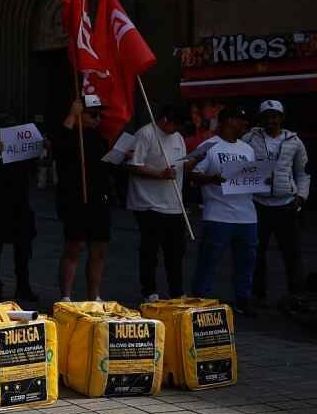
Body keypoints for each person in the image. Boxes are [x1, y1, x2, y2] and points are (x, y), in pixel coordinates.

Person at [189, 106, 258, 315]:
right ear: (229, 121)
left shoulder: (247, 149)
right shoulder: (209, 146)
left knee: (246, 262)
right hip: (218, 214)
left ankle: (242, 300)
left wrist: (263, 179)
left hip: (247, 215)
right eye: (241, 120)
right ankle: (201, 300)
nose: (245, 124)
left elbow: (252, 175)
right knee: (209, 261)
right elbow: (191, 173)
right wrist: (211, 179)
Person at [245, 100, 310, 307]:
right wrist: (255, 180)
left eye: (275, 116)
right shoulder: (249, 139)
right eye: (267, 117)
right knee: (256, 252)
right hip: (258, 204)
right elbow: (241, 168)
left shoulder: (294, 141)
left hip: (286, 205)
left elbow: (303, 173)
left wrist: (300, 197)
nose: (271, 121)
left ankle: (296, 294)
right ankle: (257, 294)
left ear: (282, 118)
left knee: (292, 253)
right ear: (261, 119)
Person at [53, 95, 112, 302]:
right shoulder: (70, 135)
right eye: (93, 115)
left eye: (99, 116)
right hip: (75, 198)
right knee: (74, 246)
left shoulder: (100, 138)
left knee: (99, 249)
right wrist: (71, 115)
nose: (97, 120)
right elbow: (59, 147)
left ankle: (94, 296)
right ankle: (66, 296)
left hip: (99, 199)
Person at [127, 105, 188, 302]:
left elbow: (180, 166)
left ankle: (176, 290)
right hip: (149, 203)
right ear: (164, 120)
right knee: (150, 249)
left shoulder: (178, 137)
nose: (176, 129)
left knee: (176, 251)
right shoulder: (146, 134)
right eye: (174, 124)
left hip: (173, 202)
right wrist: (159, 174)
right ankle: (149, 291)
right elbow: (134, 166)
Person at [0, 122, 37, 303]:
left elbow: (34, 166)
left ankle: (23, 287)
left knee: (22, 250)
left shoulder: (22, 157)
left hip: (19, 206)